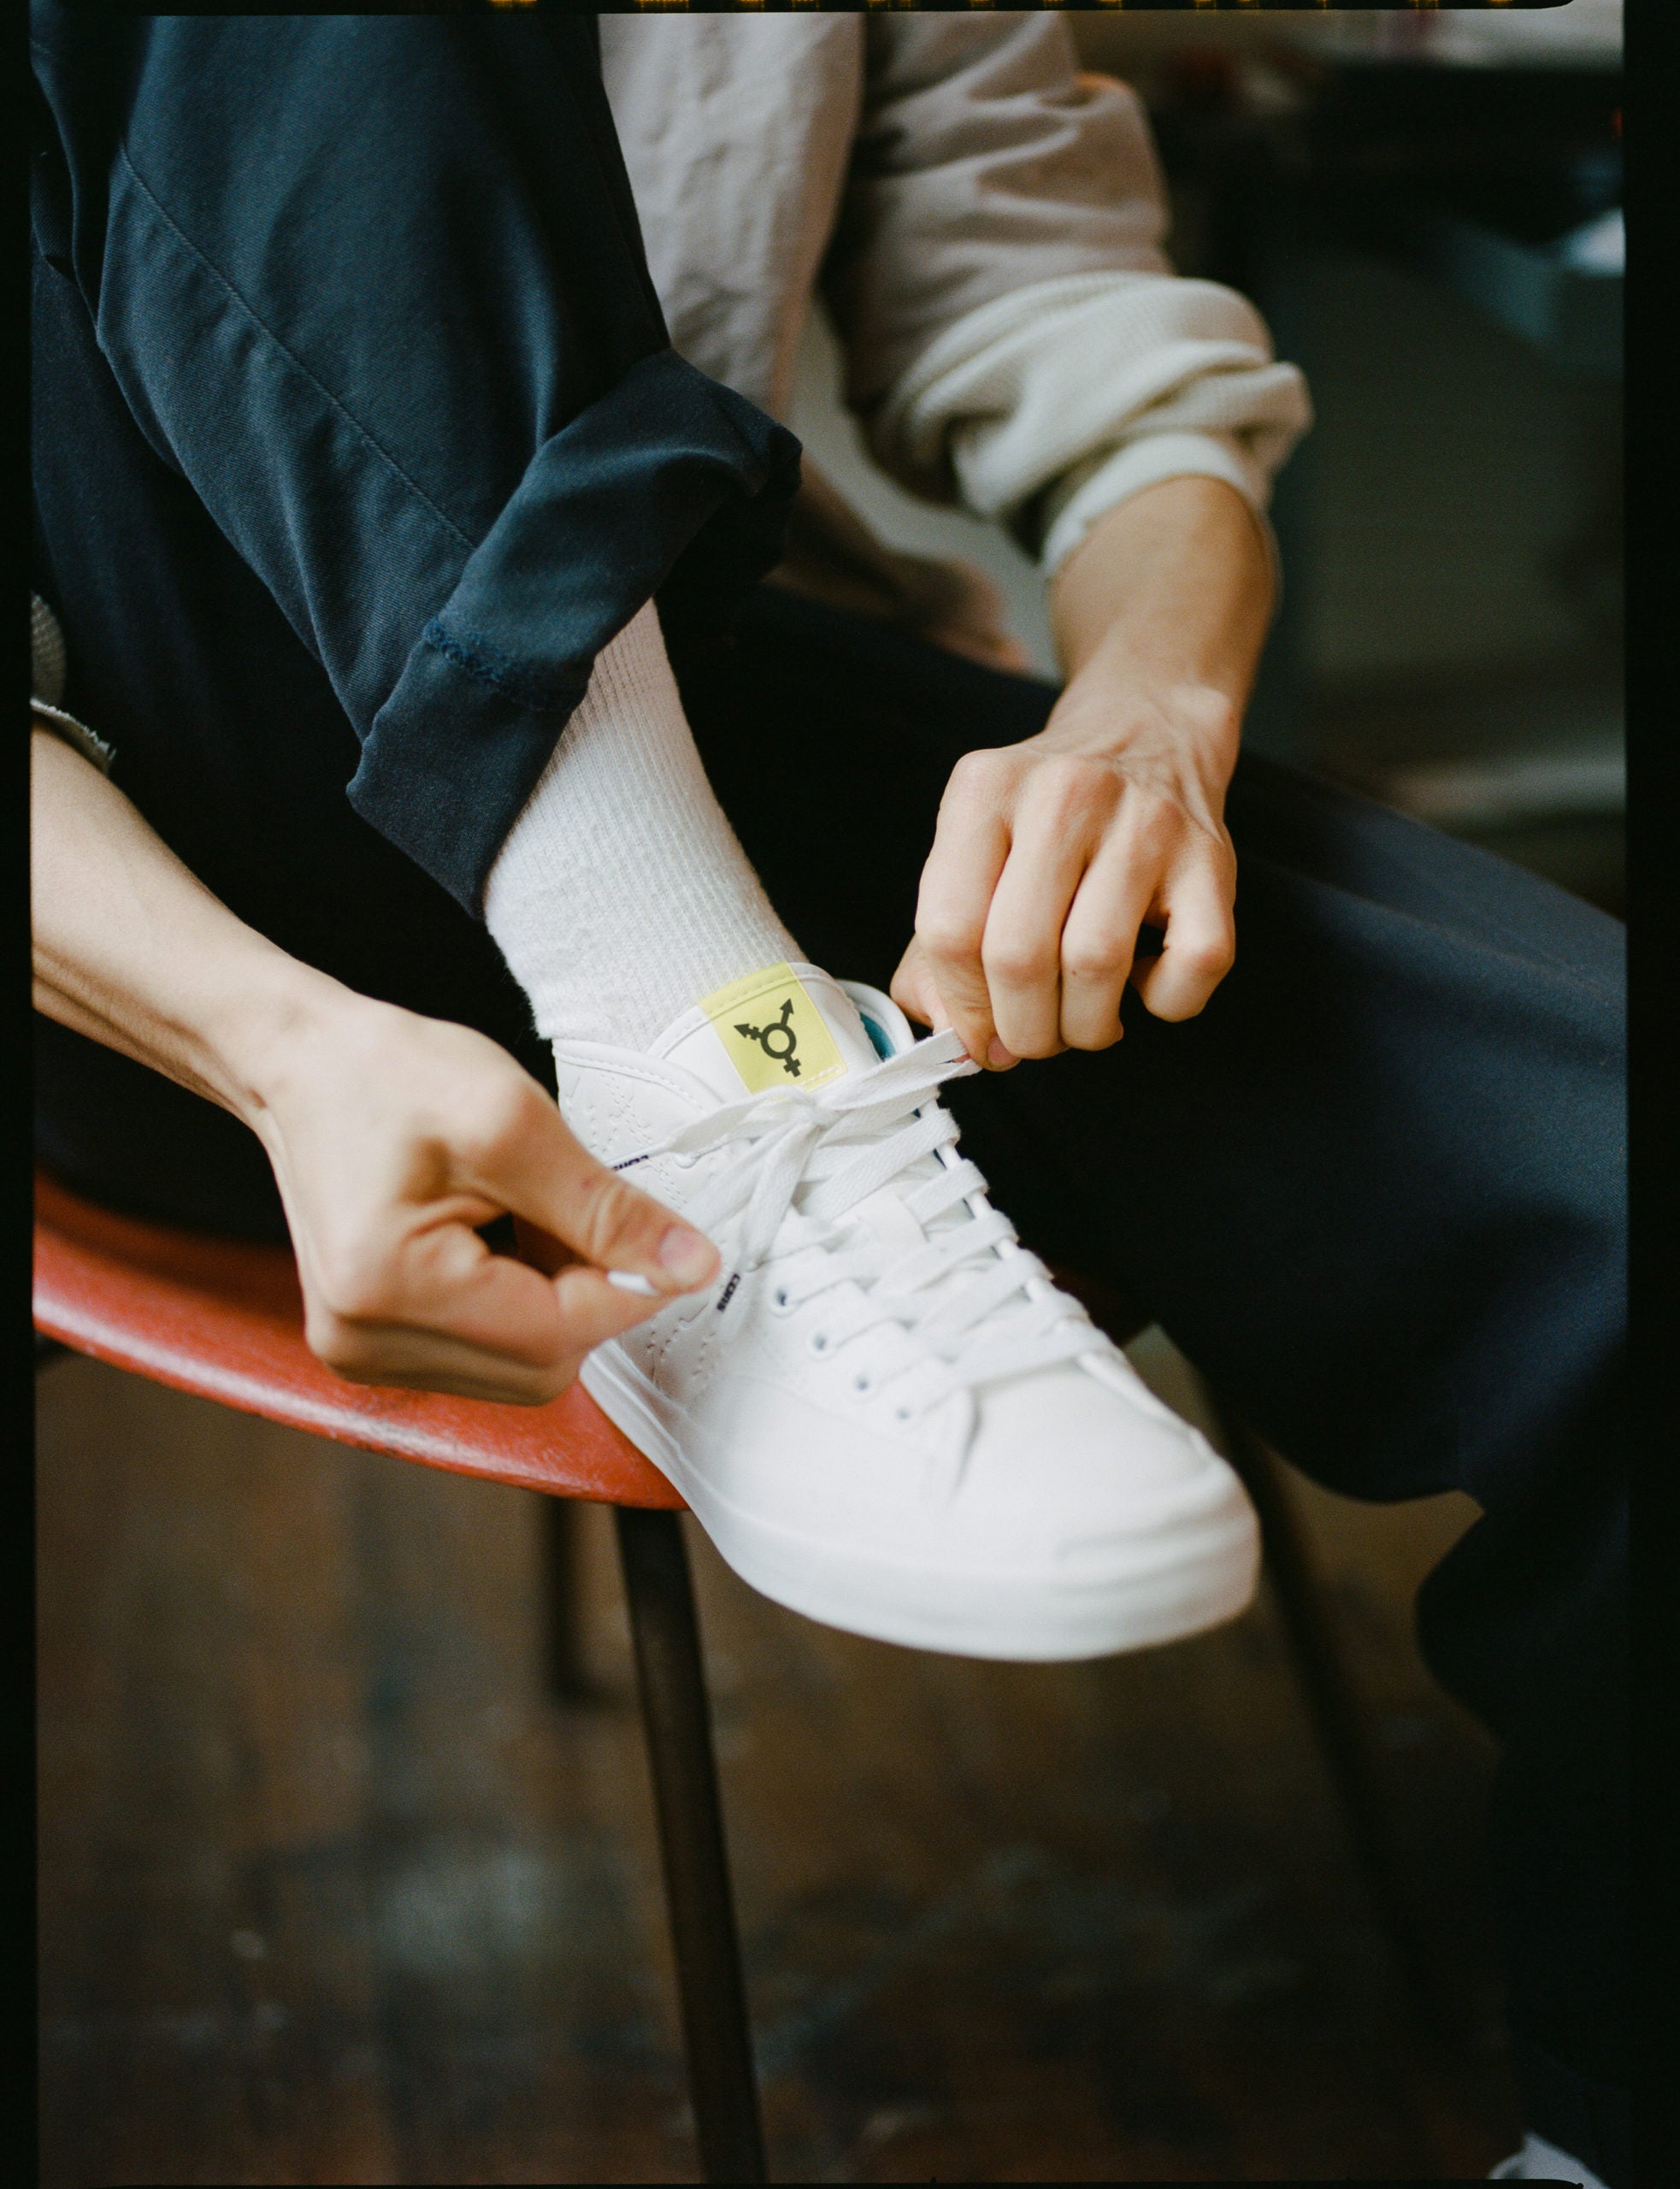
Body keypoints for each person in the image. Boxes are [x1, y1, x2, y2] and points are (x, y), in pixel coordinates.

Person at [31, 12, 1623, 2184]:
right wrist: (270, 1039)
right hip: (155, 853)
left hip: (720, 726)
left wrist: (1144, 715)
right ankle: (681, 1014)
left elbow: (1071, 322)